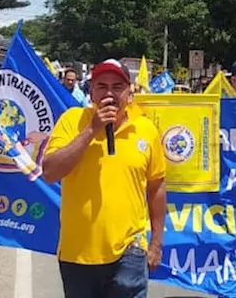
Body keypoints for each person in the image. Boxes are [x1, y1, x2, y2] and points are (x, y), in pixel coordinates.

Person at [41, 59, 166, 298]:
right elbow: (50, 172)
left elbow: (157, 188)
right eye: (102, 86)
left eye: (117, 86)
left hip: (129, 253)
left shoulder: (146, 130)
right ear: (91, 91)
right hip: (77, 255)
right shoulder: (72, 120)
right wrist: (91, 130)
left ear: (130, 92)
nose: (109, 93)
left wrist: (156, 243)